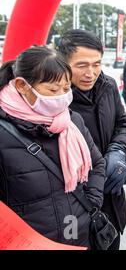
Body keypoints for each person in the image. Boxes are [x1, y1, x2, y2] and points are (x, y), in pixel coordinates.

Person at [0, 46, 105, 248]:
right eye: (53, 89)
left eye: (66, 89)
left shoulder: (71, 120)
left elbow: (97, 163)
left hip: (74, 228)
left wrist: (91, 202)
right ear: (22, 85)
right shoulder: (4, 133)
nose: (62, 97)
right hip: (27, 241)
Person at [58, 30, 126, 250]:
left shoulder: (108, 85)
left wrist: (119, 151)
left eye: (97, 64)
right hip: (74, 204)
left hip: (112, 197)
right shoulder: (54, 98)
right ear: (63, 62)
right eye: (82, 65)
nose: (91, 73)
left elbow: (122, 124)